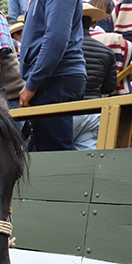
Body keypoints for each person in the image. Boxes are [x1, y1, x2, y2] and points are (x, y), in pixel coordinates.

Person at [19, 0, 86, 151]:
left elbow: (56, 37)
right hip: (50, 78)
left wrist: (32, 82)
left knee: (55, 156)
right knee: (47, 151)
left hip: (54, 78)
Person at [72, 3, 117, 150]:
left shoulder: (65, 49)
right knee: (88, 159)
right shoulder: (106, 52)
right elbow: (109, 87)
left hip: (69, 110)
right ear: (93, 23)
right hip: (95, 112)